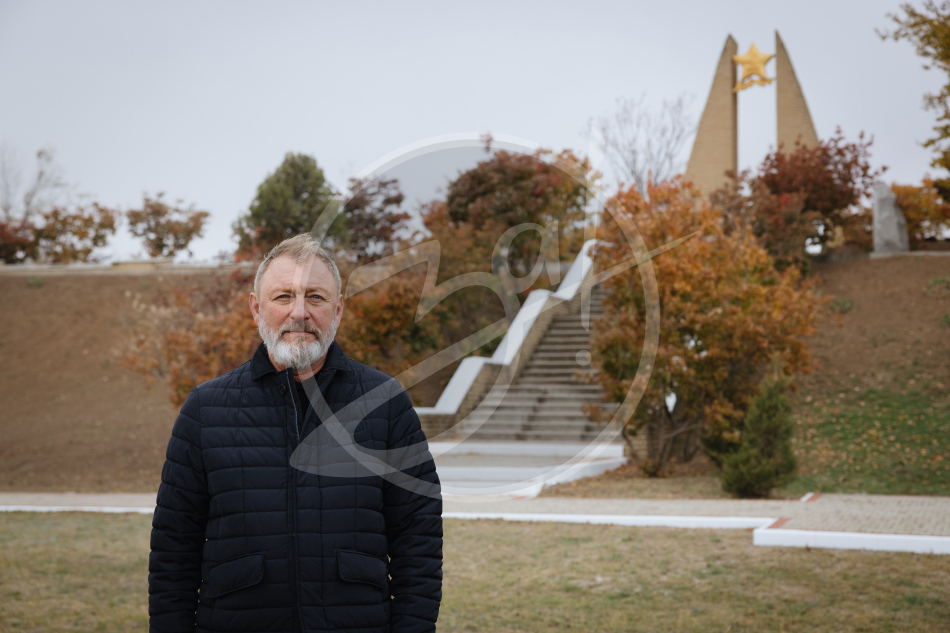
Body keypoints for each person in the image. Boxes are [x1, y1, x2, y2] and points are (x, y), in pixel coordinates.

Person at [148, 233, 442, 633]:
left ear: (337, 310)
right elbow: (173, 551)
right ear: (256, 309)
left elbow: (418, 541)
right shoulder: (204, 410)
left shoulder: (385, 403)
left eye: (315, 298)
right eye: (283, 297)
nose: (299, 312)